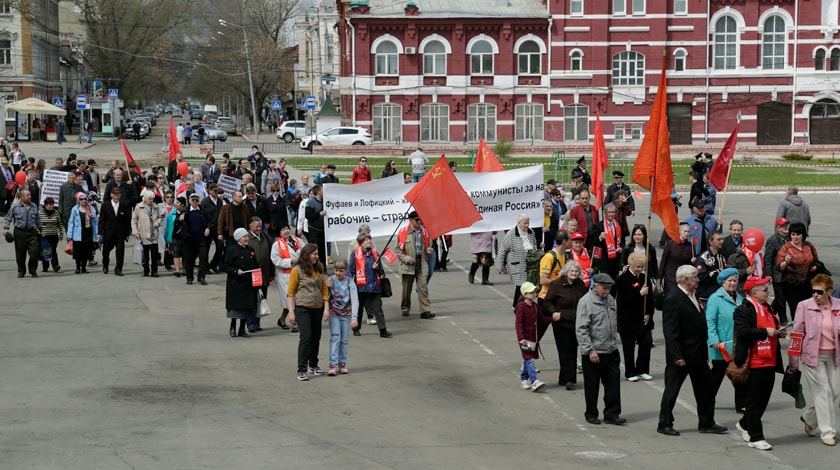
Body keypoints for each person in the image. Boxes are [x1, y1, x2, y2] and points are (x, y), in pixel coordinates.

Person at [657, 265, 728, 437]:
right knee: (672, 391)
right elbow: (670, 331)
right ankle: (665, 423)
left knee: (706, 389)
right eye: (695, 277)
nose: (698, 279)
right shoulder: (673, 298)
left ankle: (707, 422)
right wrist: (676, 355)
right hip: (682, 355)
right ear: (686, 280)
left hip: (698, 354)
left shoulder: (692, 295)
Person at [733, 276, 785, 450]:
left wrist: (777, 332)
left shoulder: (767, 307)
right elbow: (743, 331)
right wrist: (765, 332)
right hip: (754, 361)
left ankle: (744, 423)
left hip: (769, 359)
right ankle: (756, 437)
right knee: (754, 401)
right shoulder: (744, 309)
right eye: (764, 290)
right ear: (753, 293)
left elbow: (771, 327)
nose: (768, 292)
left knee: (763, 400)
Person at [790, 274, 840, 447]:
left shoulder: (838, 306)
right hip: (813, 356)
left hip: (834, 355)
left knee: (834, 392)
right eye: (813, 291)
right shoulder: (804, 306)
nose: (815, 295)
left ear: (829, 291)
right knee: (823, 392)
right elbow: (796, 335)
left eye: (819, 292)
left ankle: (809, 418)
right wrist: (793, 361)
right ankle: (827, 432)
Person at [576, 273, 625, 425]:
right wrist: (590, 350)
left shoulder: (610, 300)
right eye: (604, 288)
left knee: (613, 385)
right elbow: (581, 329)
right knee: (592, 385)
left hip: (611, 349)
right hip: (594, 352)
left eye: (609, 288)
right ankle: (591, 413)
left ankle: (612, 413)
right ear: (595, 286)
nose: (607, 291)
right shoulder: (586, 302)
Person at [706, 267, 746, 413]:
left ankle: (741, 403)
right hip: (722, 345)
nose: (733, 283)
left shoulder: (740, 298)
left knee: (739, 374)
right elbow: (710, 321)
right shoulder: (715, 299)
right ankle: (707, 399)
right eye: (729, 280)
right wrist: (713, 339)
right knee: (717, 375)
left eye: (735, 280)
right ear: (723, 282)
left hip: (737, 345)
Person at [543, 261, 588, 390]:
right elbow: (547, 302)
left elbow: (585, 299)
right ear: (566, 272)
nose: (574, 274)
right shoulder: (557, 284)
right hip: (561, 323)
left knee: (573, 351)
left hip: (577, 323)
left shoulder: (579, 284)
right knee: (565, 351)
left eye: (576, 271)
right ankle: (569, 380)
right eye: (571, 271)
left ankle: (565, 379)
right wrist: (554, 313)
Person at [287, 243, 329, 381]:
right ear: (307, 255)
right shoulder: (297, 270)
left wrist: (326, 308)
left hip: (317, 307)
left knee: (316, 337)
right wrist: (291, 312)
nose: (317, 256)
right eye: (314, 254)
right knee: (306, 337)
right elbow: (291, 293)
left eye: (317, 254)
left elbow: (324, 290)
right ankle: (302, 369)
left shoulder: (319, 269)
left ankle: (314, 364)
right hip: (303, 308)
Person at [614, 252, 655, 382]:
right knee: (629, 348)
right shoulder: (622, 279)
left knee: (646, 344)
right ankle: (630, 372)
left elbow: (650, 300)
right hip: (628, 320)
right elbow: (623, 301)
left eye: (642, 266)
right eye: (637, 266)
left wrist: (648, 313)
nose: (640, 269)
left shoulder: (645, 277)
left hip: (643, 319)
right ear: (631, 265)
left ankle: (642, 369)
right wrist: (639, 293)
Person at [348, 232, 392, 338]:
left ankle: (383, 330)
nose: (369, 241)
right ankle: (356, 328)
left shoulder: (375, 254)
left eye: (369, 239)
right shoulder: (355, 253)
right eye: (366, 240)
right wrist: (349, 284)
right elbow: (351, 270)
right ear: (361, 243)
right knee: (359, 308)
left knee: (378, 308)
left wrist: (378, 268)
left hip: (374, 286)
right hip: (360, 286)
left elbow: (381, 271)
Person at [776, 222, 819, 320]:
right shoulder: (785, 248)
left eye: (798, 234)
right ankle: (798, 332)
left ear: (803, 235)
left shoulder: (809, 246)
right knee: (796, 310)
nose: (795, 237)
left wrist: (815, 267)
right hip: (791, 284)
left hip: (808, 283)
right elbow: (779, 267)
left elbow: (816, 261)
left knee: (809, 309)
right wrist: (786, 262)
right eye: (793, 234)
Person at [397, 211, 435, 319]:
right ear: (411, 220)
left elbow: (428, 245)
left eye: (420, 219)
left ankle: (425, 310)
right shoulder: (403, 232)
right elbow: (397, 250)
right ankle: (405, 307)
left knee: (423, 287)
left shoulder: (425, 232)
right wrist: (406, 258)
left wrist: (429, 250)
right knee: (406, 289)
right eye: (417, 220)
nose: (419, 222)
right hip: (408, 263)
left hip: (421, 262)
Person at [496, 214, 538, 308]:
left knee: (527, 285)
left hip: (529, 264)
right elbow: (502, 250)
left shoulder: (531, 232)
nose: (526, 225)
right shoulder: (510, 234)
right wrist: (499, 265)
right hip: (516, 265)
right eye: (524, 223)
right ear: (519, 223)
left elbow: (534, 245)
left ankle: (521, 304)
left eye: (528, 223)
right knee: (520, 285)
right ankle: (517, 305)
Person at [224, 228, 260, 338]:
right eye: (244, 237)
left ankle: (242, 329)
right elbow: (226, 266)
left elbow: (255, 265)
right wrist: (236, 271)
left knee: (247, 307)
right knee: (236, 307)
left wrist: (257, 277)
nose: (246, 239)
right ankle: (233, 326)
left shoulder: (250, 250)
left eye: (246, 236)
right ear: (238, 239)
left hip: (248, 283)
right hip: (236, 283)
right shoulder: (232, 250)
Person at [326, 259, 359, 376]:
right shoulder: (330, 280)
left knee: (344, 340)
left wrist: (354, 318)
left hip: (347, 315)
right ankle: (332, 365)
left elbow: (355, 301)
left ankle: (342, 363)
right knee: (335, 338)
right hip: (334, 314)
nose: (338, 273)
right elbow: (325, 296)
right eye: (336, 270)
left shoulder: (350, 283)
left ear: (346, 271)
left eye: (341, 271)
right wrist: (325, 286)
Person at [3, 189, 43, 277]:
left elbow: (37, 219)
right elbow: (7, 218)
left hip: (32, 232)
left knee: (34, 252)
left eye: (30, 195)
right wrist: (6, 229)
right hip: (19, 233)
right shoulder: (15, 206)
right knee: (20, 254)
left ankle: (32, 270)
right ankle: (21, 271)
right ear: (21, 197)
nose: (30, 196)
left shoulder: (34, 206)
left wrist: (41, 229)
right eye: (27, 195)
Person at [515, 282, 546, 393]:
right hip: (525, 338)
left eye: (534, 292)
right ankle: (534, 381)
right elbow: (518, 325)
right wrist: (521, 338)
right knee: (529, 359)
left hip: (533, 337)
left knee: (528, 359)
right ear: (525, 294)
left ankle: (523, 379)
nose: (534, 294)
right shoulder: (521, 307)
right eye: (531, 292)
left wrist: (554, 318)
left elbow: (542, 319)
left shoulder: (535, 306)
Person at [271, 225, 301, 331]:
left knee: (296, 299)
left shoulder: (297, 241)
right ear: (279, 233)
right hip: (285, 275)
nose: (286, 231)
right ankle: (295, 323)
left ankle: (282, 319)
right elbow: (275, 260)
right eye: (283, 230)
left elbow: (306, 252)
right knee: (290, 299)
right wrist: (290, 261)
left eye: (287, 229)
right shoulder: (276, 245)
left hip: (299, 273)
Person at [245, 217, 273, 333]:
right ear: (250, 227)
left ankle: (257, 322)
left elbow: (272, 256)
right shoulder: (247, 238)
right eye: (256, 226)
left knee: (261, 299)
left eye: (260, 226)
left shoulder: (266, 237)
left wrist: (272, 273)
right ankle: (250, 323)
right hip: (252, 275)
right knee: (251, 299)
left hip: (264, 274)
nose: (259, 228)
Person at [99, 187, 130, 276]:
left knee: (120, 251)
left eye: (118, 195)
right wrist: (99, 232)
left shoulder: (123, 206)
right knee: (106, 251)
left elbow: (126, 221)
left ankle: (118, 269)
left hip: (120, 233)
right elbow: (102, 220)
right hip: (109, 232)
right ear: (111, 195)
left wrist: (127, 233)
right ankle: (105, 265)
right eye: (115, 195)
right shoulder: (106, 205)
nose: (116, 196)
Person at [131, 191, 164, 277]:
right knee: (145, 255)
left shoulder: (155, 207)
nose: (151, 200)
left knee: (154, 255)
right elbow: (134, 220)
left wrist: (158, 222)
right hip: (143, 234)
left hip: (154, 234)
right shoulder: (139, 207)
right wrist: (135, 231)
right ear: (145, 198)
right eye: (149, 199)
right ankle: (146, 269)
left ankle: (154, 271)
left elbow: (160, 217)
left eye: (152, 199)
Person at [67, 192, 99, 274]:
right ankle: (78, 267)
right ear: (78, 200)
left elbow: (95, 223)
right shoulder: (75, 209)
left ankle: (84, 268)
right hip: (77, 233)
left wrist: (96, 235)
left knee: (86, 251)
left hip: (88, 232)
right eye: (81, 199)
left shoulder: (91, 208)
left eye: (85, 199)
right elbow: (71, 223)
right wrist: (69, 235)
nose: (83, 201)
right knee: (78, 252)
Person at [658, 223, 695, 296]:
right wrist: (659, 280)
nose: (687, 233)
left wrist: (692, 262)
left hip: (683, 279)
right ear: (679, 231)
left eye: (688, 232)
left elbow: (689, 266)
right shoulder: (670, 244)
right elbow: (663, 262)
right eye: (685, 231)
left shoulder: (690, 246)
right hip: (670, 278)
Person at [765, 218, 790, 321]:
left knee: (784, 297)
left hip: (789, 275)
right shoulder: (772, 240)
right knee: (781, 298)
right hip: (777, 274)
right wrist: (769, 274)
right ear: (778, 228)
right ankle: (784, 320)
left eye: (787, 225)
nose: (786, 228)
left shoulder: (790, 238)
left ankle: (769, 314)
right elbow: (768, 259)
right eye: (783, 226)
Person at [181, 193, 210, 286]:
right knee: (189, 260)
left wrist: (208, 228)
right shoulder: (185, 211)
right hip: (189, 240)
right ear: (189, 201)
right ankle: (189, 277)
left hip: (201, 239)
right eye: (192, 200)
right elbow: (177, 222)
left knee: (203, 258)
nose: (194, 202)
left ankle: (201, 277)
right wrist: (180, 219)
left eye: (196, 200)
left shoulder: (202, 210)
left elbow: (209, 221)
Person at [592, 203, 624, 279]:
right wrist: (600, 237)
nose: (612, 214)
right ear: (605, 213)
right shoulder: (598, 226)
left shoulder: (619, 224)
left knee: (614, 279)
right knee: (606, 280)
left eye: (613, 212)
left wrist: (621, 248)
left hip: (616, 259)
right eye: (609, 212)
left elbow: (622, 240)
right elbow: (595, 242)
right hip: (605, 259)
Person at [695, 232, 727, 307]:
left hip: (720, 295)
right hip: (706, 297)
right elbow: (700, 277)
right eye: (719, 239)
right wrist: (718, 272)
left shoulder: (721, 254)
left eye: (722, 239)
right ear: (710, 241)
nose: (722, 241)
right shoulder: (703, 257)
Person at [38, 197, 63, 273]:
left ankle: (55, 266)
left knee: (52, 250)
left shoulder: (55, 212)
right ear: (45, 205)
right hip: (43, 236)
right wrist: (39, 232)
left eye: (52, 204)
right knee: (45, 251)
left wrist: (61, 233)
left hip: (53, 235)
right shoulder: (40, 212)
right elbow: (36, 224)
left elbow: (59, 223)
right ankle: (45, 266)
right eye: (49, 204)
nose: (51, 206)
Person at [304, 185, 327, 266]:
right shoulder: (310, 202)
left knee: (323, 250)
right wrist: (319, 214)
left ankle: (323, 268)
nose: (324, 192)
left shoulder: (324, 201)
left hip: (323, 230)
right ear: (318, 192)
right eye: (322, 190)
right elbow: (308, 216)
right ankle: (314, 266)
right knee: (315, 250)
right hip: (314, 230)